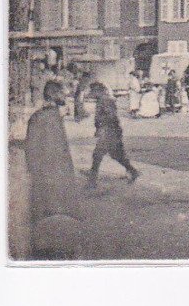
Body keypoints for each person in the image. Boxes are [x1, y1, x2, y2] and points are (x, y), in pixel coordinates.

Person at [25, 79, 82, 231]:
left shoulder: (50, 115)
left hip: (54, 170)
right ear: (52, 94)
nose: (65, 98)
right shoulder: (44, 116)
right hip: (49, 171)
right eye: (62, 94)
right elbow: (32, 147)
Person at [86, 81, 139, 188]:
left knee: (97, 155)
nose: (91, 93)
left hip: (109, 132)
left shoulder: (106, 100)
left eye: (93, 91)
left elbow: (111, 116)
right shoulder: (103, 100)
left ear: (98, 90)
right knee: (117, 155)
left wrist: (102, 126)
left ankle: (92, 181)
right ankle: (133, 171)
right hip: (109, 131)